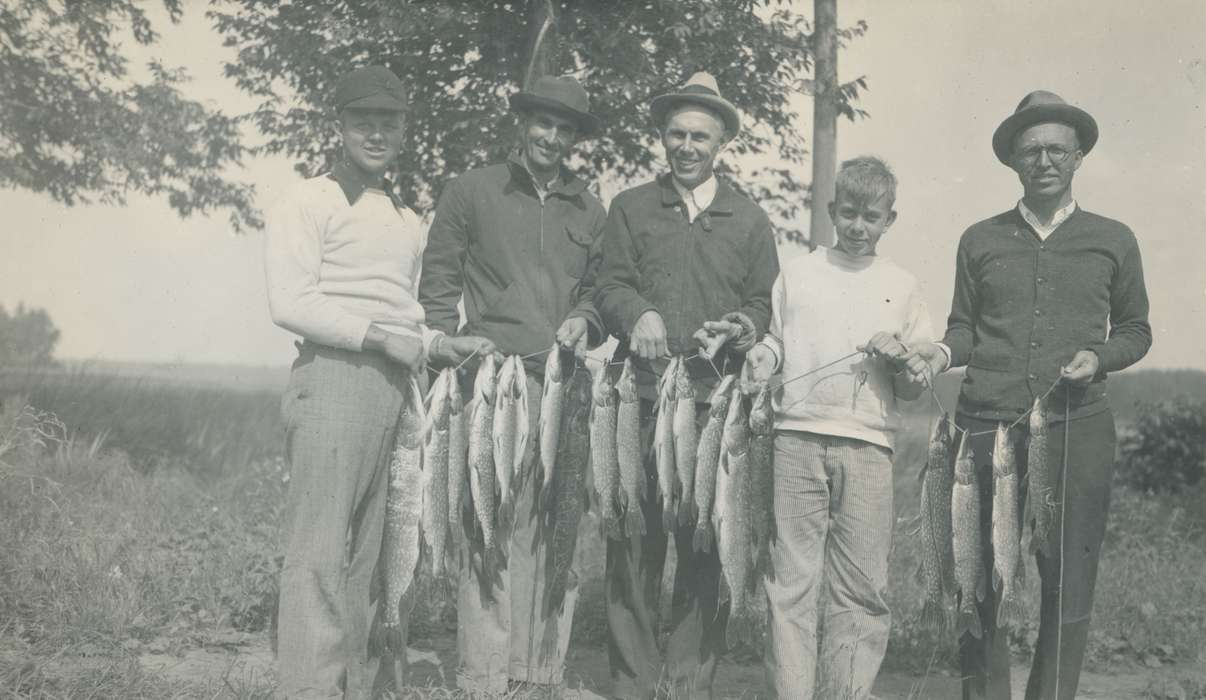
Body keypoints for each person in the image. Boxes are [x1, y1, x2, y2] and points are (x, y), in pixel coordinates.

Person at [903, 91, 1152, 700]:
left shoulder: (1113, 238)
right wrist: (940, 352)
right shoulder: (980, 238)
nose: (1044, 161)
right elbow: (963, 328)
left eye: (1056, 150)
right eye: (1030, 150)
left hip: (1078, 428)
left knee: (1067, 580)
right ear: (1013, 160)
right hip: (983, 428)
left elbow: (1135, 331)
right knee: (977, 574)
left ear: (1077, 158)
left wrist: (1099, 358)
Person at [265, 65, 493, 699]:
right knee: (318, 554)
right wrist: (375, 337)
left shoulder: (404, 215)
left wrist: (439, 344)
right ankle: (309, 690)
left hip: (399, 391)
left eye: (388, 123)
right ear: (338, 127)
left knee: (375, 558)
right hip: (333, 380)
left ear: (403, 131)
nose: (376, 134)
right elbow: (289, 301)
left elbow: (404, 317)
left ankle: (357, 689)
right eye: (362, 122)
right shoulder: (307, 200)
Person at [592, 71, 780, 699]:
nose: (688, 145)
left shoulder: (749, 220)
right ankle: (633, 684)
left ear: (722, 140)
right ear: (663, 137)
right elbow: (609, 285)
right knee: (632, 546)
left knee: (707, 545)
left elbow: (762, 304)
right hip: (637, 403)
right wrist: (636, 311)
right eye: (677, 133)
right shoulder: (631, 208)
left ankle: (689, 682)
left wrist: (742, 327)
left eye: (701, 135)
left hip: (715, 411)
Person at [417, 74, 606, 696]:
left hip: (561, 387)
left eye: (564, 128)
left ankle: (538, 672)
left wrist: (585, 319)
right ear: (522, 125)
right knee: (491, 527)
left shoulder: (589, 207)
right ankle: (484, 677)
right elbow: (439, 278)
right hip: (492, 383)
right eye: (542, 123)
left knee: (556, 527)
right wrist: (444, 345)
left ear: (576, 137)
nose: (551, 137)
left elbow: (598, 291)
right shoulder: (472, 189)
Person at [742, 156, 932, 699]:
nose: (857, 227)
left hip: (870, 448)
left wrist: (901, 358)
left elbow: (917, 383)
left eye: (870, 217)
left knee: (862, 588)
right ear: (831, 211)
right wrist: (763, 353)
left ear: (889, 220)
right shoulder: (799, 273)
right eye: (848, 213)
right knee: (791, 585)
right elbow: (776, 342)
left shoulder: (903, 284)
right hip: (794, 440)